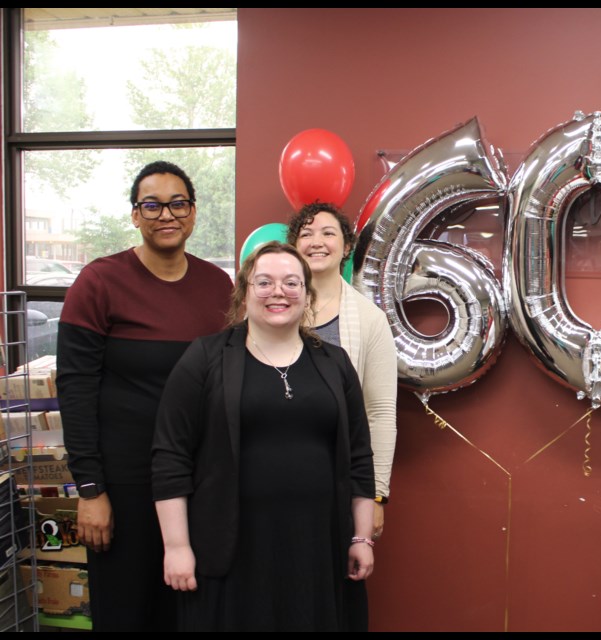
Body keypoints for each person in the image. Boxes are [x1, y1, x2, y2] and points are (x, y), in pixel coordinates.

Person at [152, 241, 375, 631]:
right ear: (244, 291)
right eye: (265, 282)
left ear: (306, 294)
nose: (278, 292)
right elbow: (170, 455)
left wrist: (361, 537)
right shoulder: (205, 358)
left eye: (291, 283)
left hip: (317, 548)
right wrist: (177, 546)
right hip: (231, 547)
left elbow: (359, 456)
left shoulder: (335, 363)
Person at [56, 160, 233, 631]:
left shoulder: (218, 286)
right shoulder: (99, 282)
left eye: (178, 203)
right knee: (127, 610)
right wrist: (90, 489)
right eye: (151, 204)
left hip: (198, 483)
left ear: (193, 212)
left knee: (191, 611)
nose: (166, 215)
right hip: (123, 483)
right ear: (135, 215)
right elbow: (75, 389)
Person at [288, 201, 397, 533]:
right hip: (272, 470)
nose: (316, 242)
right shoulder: (269, 311)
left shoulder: (370, 320)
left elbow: (379, 412)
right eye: (306, 234)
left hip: (339, 477)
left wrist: (376, 495)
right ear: (294, 246)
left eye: (328, 233)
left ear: (346, 246)